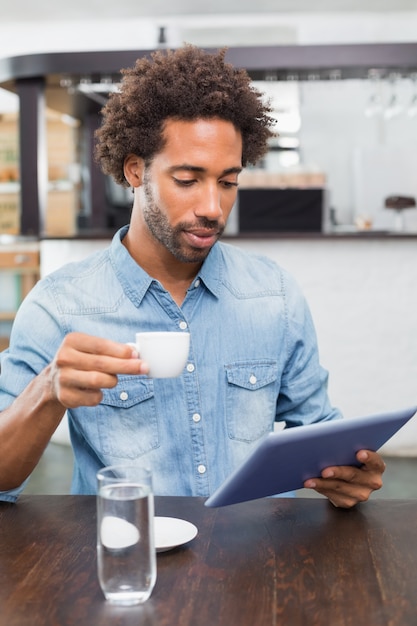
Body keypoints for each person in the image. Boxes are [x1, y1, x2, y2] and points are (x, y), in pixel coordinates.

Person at [0, 46, 384, 507]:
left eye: (227, 182)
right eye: (187, 179)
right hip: (129, 558)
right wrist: (48, 391)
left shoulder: (273, 295)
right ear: (135, 170)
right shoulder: (60, 306)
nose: (212, 208)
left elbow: (320, 434)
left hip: (252, 561)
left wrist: (349, 474)